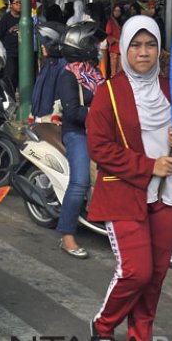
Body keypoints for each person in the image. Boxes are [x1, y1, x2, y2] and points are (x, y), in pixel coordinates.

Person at [86, 16, 172, 341]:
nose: (144, 52)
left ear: (159, 49)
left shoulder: (171, 89)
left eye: (150, 44)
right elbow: (99, 147)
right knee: (136, 272)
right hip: (124, 195)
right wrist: (147, 166)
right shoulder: (109, 92)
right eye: (136, 45)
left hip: (167, 198)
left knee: (155, 277)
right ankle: (103, 326)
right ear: (123, 50)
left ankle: (140, 335)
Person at [55, 22, 105, 258]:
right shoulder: (68, 75)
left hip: (101, 131)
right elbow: (73, 112)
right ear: (81, 46)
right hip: (77, 133)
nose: (98, 48)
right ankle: (67, 235)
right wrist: (101, 115)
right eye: (93, 43)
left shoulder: (95, 72)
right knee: (80, 182)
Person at [0, 0, 21, 90]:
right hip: (9, 53)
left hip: (22, 53)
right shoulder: (6, 18)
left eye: (21, 3)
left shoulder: (25, 18)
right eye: (17, 3)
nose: (19, 5)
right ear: (11, 5)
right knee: (11, 75)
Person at [105, 4, 125, 78]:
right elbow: (107, 35)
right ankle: (114, 87)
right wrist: (117, 40)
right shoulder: (110, 22)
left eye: (119, 11)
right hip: (114, 49)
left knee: (121, 71)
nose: (117, 12)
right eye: (115, 11)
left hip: (121, 49)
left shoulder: (122, 22)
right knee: (114, 71)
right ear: (113, 12)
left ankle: (119, 86)